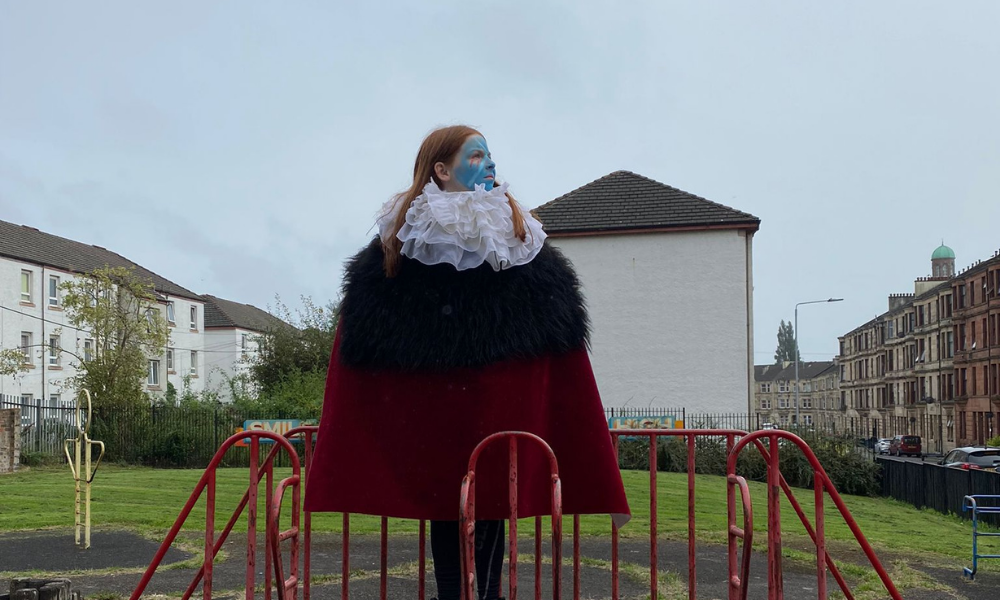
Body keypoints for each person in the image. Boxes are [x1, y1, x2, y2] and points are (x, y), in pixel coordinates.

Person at [305, 125, 629, 600]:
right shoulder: (406, 236)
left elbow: (550, 329)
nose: (491, 164)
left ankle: (485, 593)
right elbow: (370, 327)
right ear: (442, 168)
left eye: (489, 155)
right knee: (447, 504)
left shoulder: (515, 233)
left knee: (494, 500)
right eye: (476, 155)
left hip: (502, 415)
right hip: (433, 419)